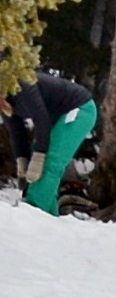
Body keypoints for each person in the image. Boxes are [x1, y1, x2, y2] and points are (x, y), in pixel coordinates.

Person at [9, 69, 96, 214]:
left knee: (50, 161)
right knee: (39, 161)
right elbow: (16, 130)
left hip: (79, 109)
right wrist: (23, 161)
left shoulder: (22, 84)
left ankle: (34, 213)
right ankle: (50, 219)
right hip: (57, 116)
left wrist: (38, 157)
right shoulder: (4, 101)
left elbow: (41, 119)